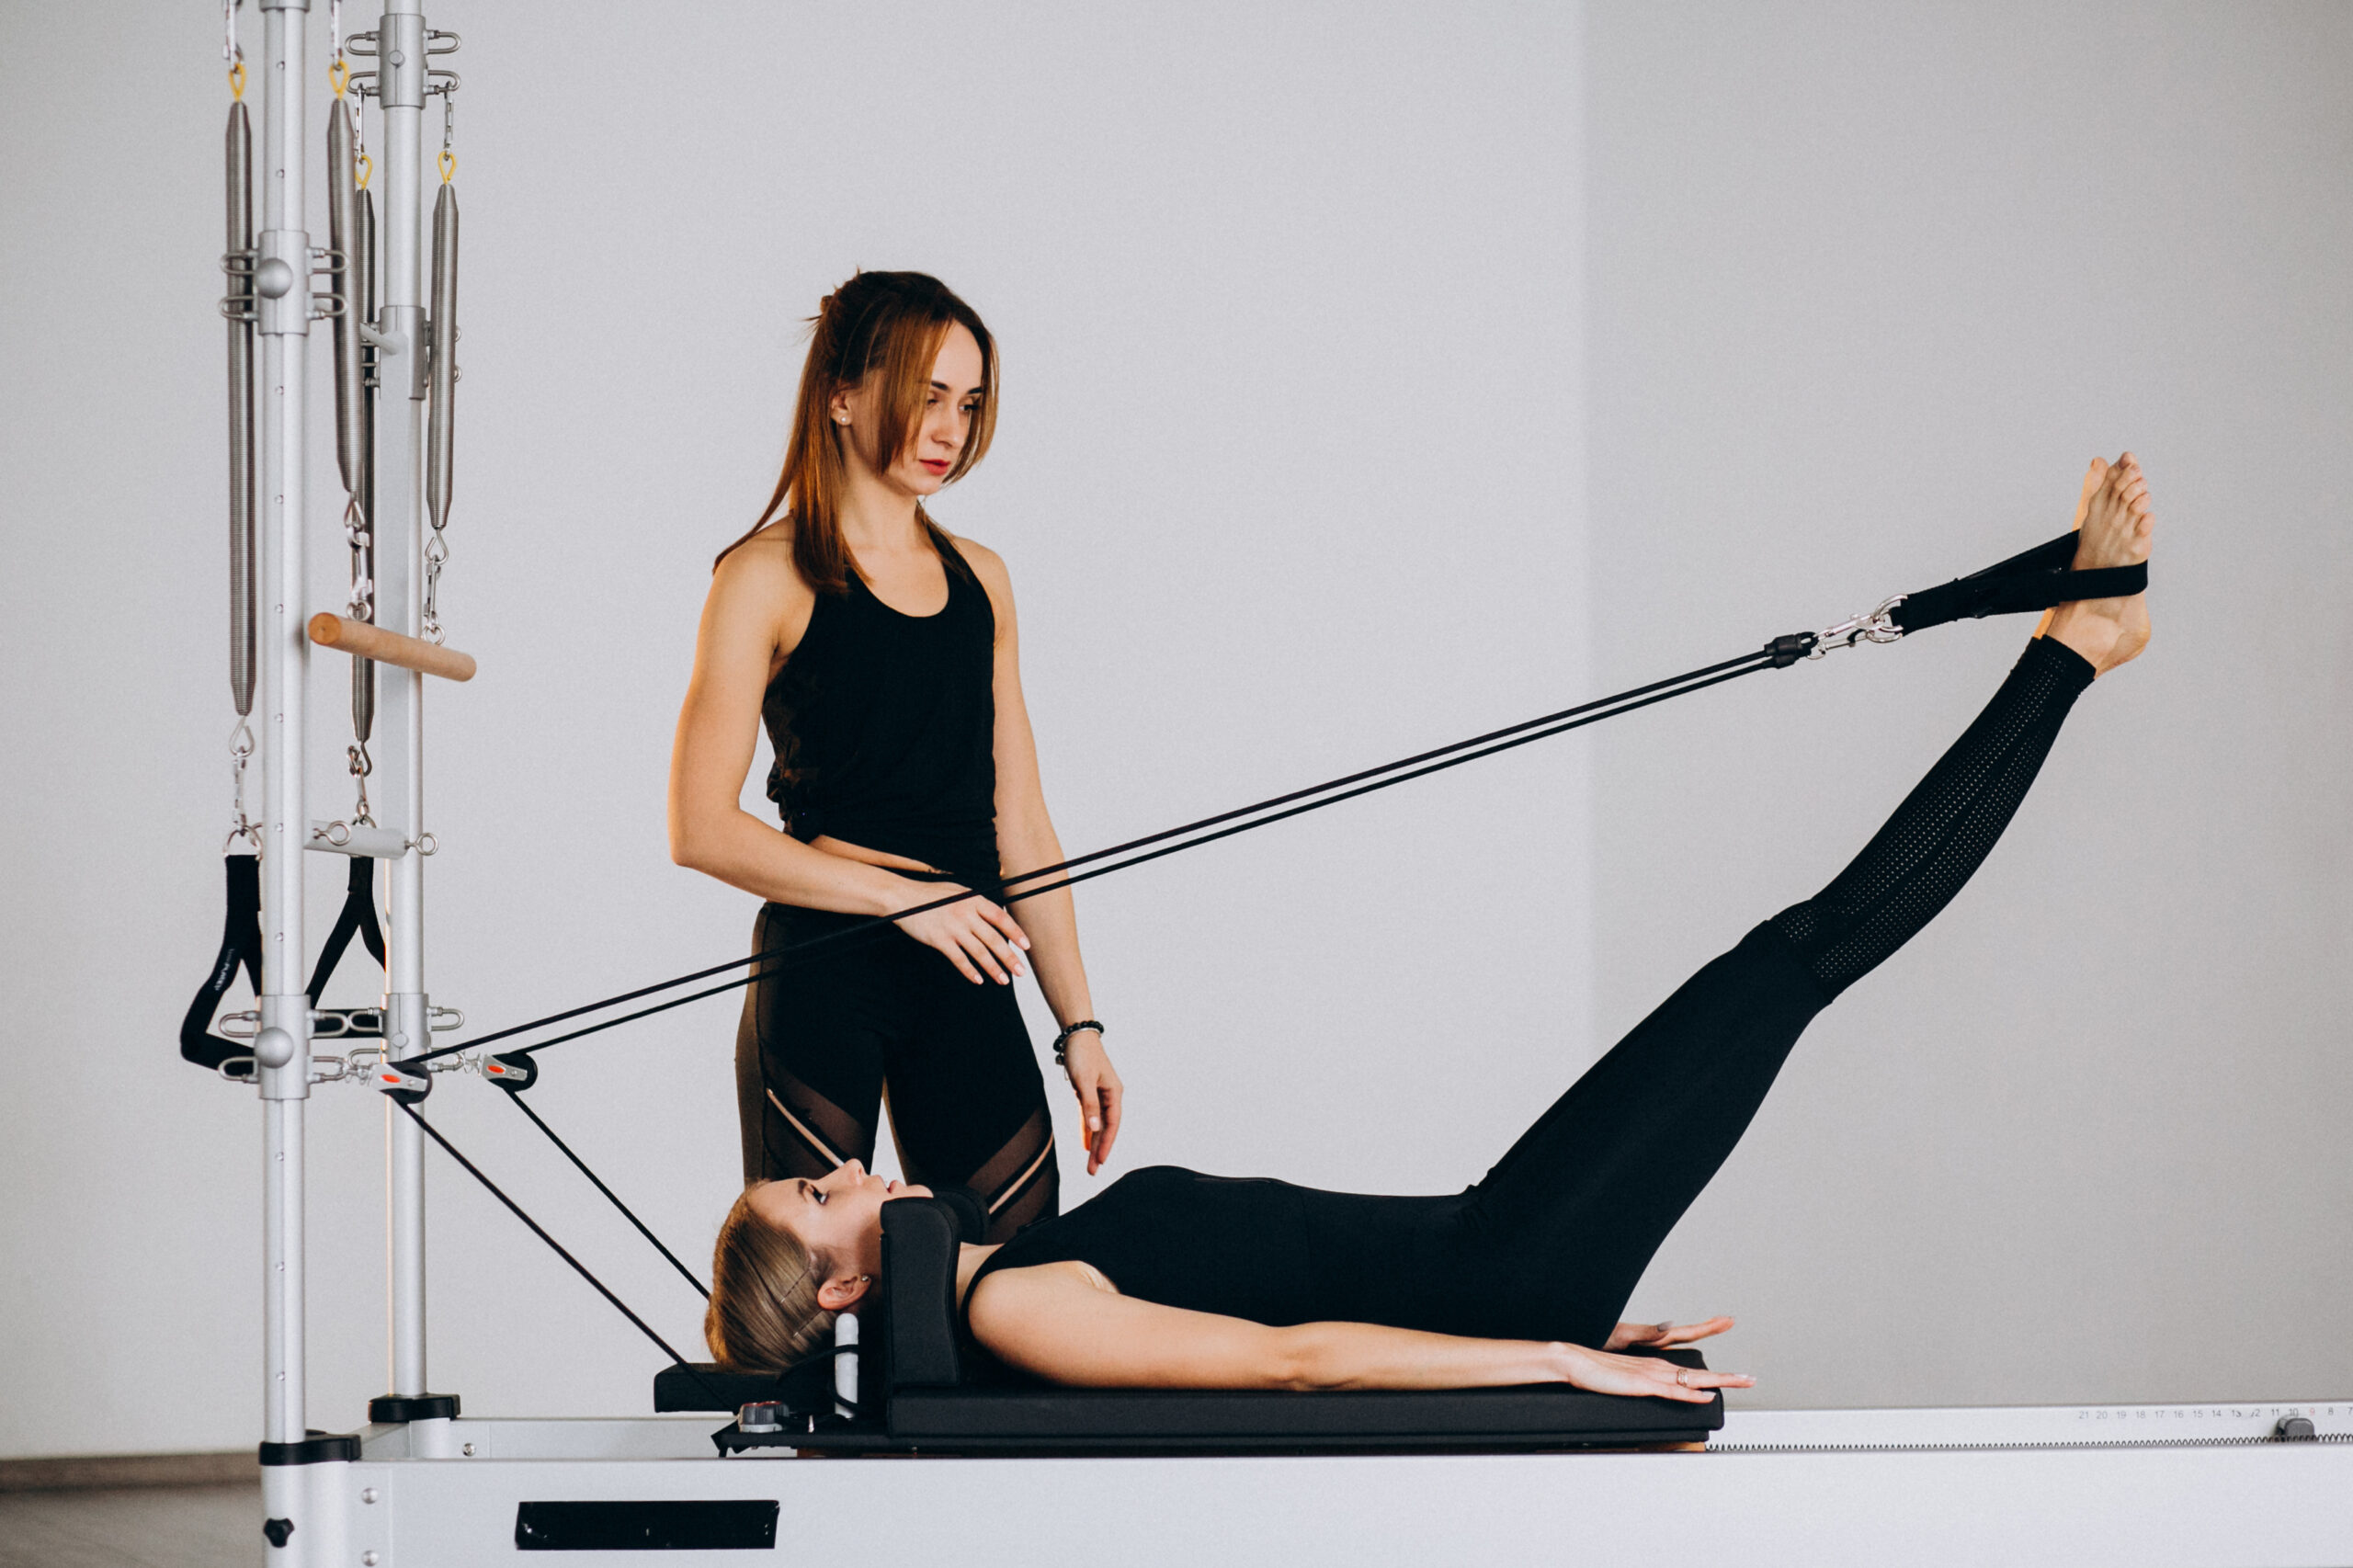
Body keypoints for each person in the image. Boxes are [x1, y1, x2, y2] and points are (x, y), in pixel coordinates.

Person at [703, 454, 2154, 1401]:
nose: (849, 1172)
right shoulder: (1022, 1312)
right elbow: (1296, 1360)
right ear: (843, 1282)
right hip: (1514, 1269)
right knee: (1796, 957)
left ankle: (2075, 630)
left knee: (1790, 960)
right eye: (820, 1197)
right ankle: (2078, 649)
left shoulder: (1026, 1274)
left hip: (1502, 1240)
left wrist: (1549, 1337)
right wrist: (1559, 1361)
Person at [670, 270, 1124, 1245]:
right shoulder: (764, 576)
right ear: (840, 396)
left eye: (968, 401)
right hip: (831, 964)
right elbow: (700, 828)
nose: (950, 428)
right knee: (813, 1298)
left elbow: (1023, 821)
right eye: (925, 395)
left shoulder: (982, 580)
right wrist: (903, 899)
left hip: (971, 963)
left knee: (1015, 1281)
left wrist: (1078, 1022)